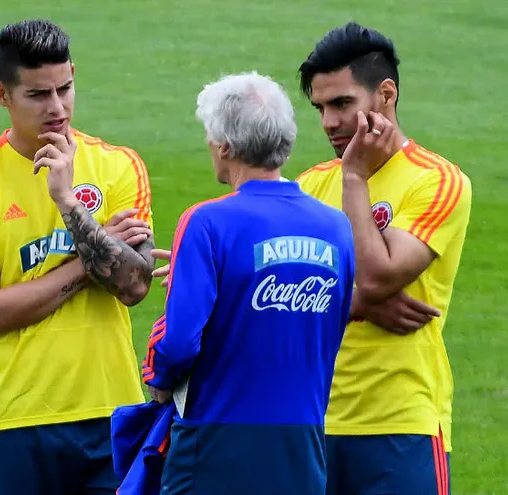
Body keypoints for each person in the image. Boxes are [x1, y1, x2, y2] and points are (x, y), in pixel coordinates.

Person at [0, 19, 155, 495]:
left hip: (111, 414)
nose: (58, 108)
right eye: (38, 95)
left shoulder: (119, 166)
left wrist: (67, 201)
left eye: (65, 88)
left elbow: (135, 286)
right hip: (15, 419)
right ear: (2, 94)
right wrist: (90, 258)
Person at [139, 72, 356, 495]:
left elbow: (179, 344)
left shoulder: (205, 222)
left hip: (217, 445)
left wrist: (158, 379)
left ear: (224, 147)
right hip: (303, 448)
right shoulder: (337, 228)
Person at [293, 22, 473, 495]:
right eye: (320, 108)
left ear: (385, 94)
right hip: (311, 419)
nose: (329, 122)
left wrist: (354, 179)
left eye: (341, 104)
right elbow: (282, 297)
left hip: (402, 421)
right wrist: (362, 304)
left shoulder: (436, 181)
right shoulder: (308, 186)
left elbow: (375, 278)